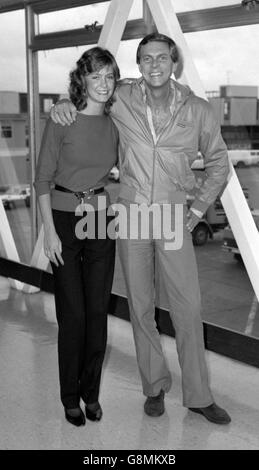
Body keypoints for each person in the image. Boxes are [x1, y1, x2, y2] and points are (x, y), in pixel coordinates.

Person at [50, 33, 231, 425]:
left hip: (171, 215)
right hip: (131, 213)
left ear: (174, 62)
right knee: (142, 307)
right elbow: (89, 100)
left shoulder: (198, 110)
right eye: (146, 59)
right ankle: (154, 388)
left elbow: (219, 164)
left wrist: (198, 208)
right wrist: (64, 104)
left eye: (161, 58)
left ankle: (198, 395)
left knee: (188, 307)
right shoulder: (122, 98)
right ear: (138, 65)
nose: (154, 65)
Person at [34, 47, 120, 427]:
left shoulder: (115, 123)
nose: (103, 84)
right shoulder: (62, 120)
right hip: (64, 221)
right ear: (82, 79)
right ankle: (70, 395)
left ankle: (91, 393)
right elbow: (40, 180)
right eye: (95, 76)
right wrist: (48, 233)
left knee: (98, 313)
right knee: (74, 314)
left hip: (100, 218)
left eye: (109, 76)